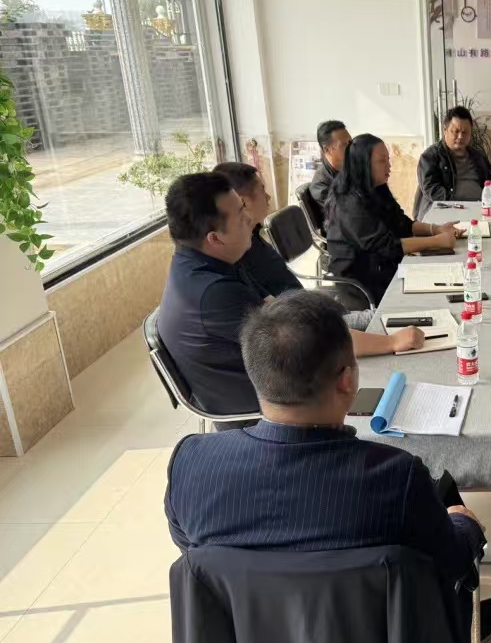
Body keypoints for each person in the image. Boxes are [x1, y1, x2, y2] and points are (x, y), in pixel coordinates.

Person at [165, 289, 491, 640]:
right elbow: (453, 563)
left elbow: (199, 560)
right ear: (347, 381)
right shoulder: (395, 477)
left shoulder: (189, 467)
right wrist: (464, 523)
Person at [157, 172, 423, 424]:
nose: (249, 220)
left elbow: (279, 311)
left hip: (274, 380)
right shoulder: (214, 293)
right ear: (215, 238)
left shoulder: (199, 263)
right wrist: (391, 342)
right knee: (393, 385)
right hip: (266, 412)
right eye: (240, 215)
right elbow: (308, 340)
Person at [215, 161, 376, 330]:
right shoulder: (238, 255)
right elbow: (276, 316)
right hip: (304, 327)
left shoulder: (253, 237)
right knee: (379, 319)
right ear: (243, 202)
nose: (268, 197)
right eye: (262, 189)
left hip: (309, 311)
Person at [325, 134, 464, 305]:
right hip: (363, 283)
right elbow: (388, 247)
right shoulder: (350, 203)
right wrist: (438, 241)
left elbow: (402, 223)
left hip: (385, 266)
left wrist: (436, 229)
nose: (389, 165)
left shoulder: (377, 187)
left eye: (388, 159)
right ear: (363, 165)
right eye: (382, 161)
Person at [413, 105, 491, 220]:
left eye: (465, 132)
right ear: (445, 130)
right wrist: (459, 205)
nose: (460, 136)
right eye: (456, 131)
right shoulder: (430, 156)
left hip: (480, 211)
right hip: (445, 212)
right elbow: (432, 189)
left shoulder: (478, 156)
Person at [308, 119, 351, 226]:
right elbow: (346, 215)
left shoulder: (349, 168)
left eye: (351, 142)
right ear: (327, 150)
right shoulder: (320, 185)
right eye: (344, 145)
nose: (351, 148)